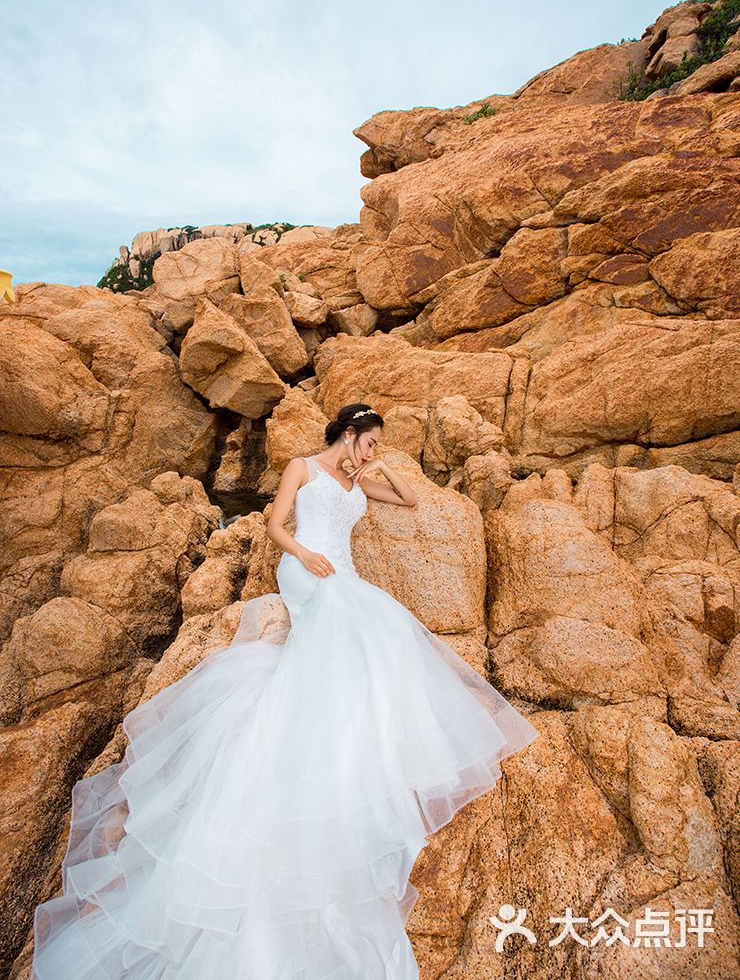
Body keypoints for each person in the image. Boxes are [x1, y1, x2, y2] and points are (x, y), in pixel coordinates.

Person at [29, 402, 540, 979]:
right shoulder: (302, 467)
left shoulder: (357, 480)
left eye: (374, 446)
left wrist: (385, 465)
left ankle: (350, 718)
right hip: (306, 568)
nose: (370, 453)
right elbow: (275, 525)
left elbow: (411, 499)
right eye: (367, 442)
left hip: (340, 574)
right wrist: (302, 553)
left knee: (380, 626)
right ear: (347, 434)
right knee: (367, 624)